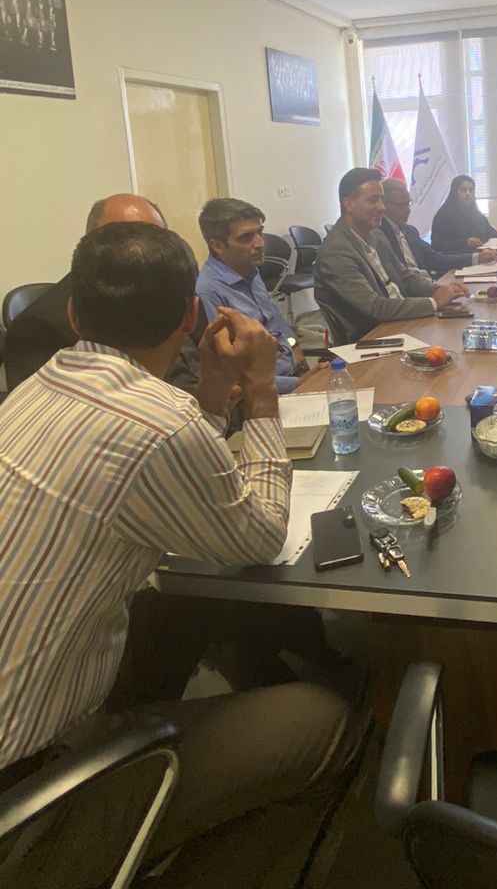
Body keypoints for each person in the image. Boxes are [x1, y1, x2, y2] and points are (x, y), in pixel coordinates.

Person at [0, 224, 365, 889]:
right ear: (191, 314)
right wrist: (259, 391)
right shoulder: (160, 422)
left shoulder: (31, 389)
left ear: (74, 314)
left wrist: (211, 397)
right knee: (327, 721)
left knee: (183, 610)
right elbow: (261, 534)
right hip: (26, 801)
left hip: (35, 728)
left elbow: (159, 458)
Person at [3, 192, 201, 392]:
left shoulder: (176, 293)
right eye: (122, 241)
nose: (142, 251)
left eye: (156, 240)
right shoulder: (38, 329)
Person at [314, 168, 468, 344]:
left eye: (382, 199)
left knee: (463, 332)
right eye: (373, 200)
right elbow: (376, 308)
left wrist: (438, 290)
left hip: (400, 324)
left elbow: (406, 278)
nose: (382, 207)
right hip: (372, 339)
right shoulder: (336, 252)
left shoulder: (376, 234)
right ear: (349, 204)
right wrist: (433, 302)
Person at [195, 197, 309, 394]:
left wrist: (296, 350)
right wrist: (298, 384)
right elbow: (233, 372)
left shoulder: (249, 270)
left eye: (259, 233)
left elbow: (275, 320)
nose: (260, 243)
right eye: (246, 237)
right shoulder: (208, 291)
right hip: (264, 394)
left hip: (294, 376)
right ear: (218, 246)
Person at [380, 177, 497, 278]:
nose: (408, 210)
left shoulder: (410, 232)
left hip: (428, 285)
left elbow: (436, 258)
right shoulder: (379, 237)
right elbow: (438, 246)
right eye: (400, 205)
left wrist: (477, 258)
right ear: (383, 205)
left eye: (408, 203)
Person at [430, 174, 497, 254]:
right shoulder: (444, 214)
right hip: (459, 258)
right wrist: (466, 242)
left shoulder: (475, 211)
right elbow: (437, 244)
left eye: (471, 190)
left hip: (482, 254)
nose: (468, 193)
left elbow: (487, 229)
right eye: (463, 189)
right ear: (454, 192)